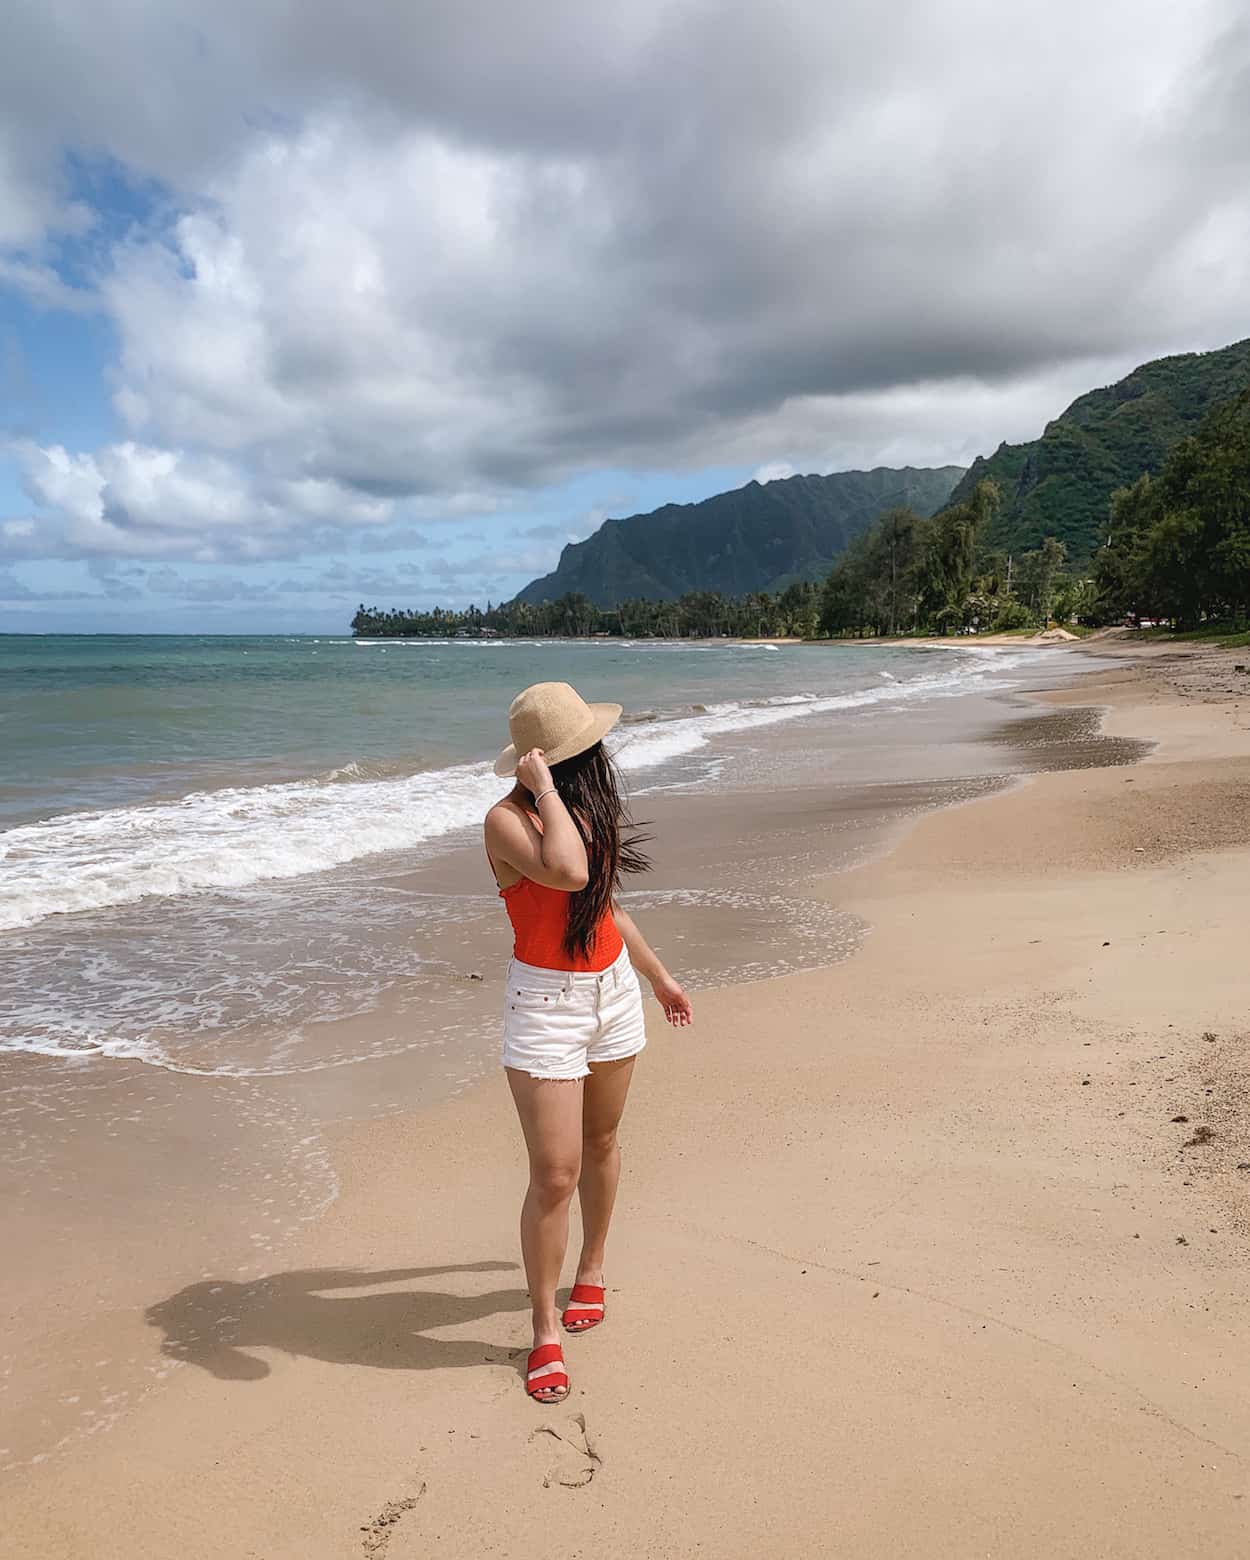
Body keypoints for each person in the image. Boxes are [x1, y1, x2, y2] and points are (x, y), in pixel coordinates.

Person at [484, 681, 693, 1403]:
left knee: (601, 1143)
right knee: (556, 1175)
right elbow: (568, 872)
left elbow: (601, 906)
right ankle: (544, 1328)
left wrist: (658, 976)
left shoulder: (585, 811)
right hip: (546, 1007)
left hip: (612, 991)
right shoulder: (508, 821)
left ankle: (592, 1266)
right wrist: (541, 789)